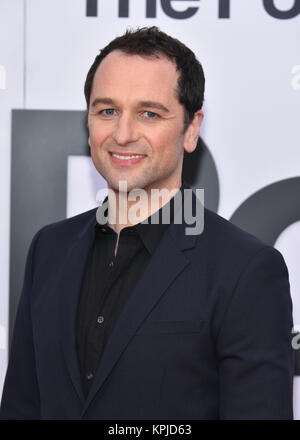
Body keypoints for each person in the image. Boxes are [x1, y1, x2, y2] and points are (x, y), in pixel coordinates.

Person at [0, 27, 294, 420]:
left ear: (191, 129)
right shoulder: (49, 249)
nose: (122, 134)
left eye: (149, 114)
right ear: (88, 121)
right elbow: (22, 406)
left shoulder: (245, 269)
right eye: (107, 111)